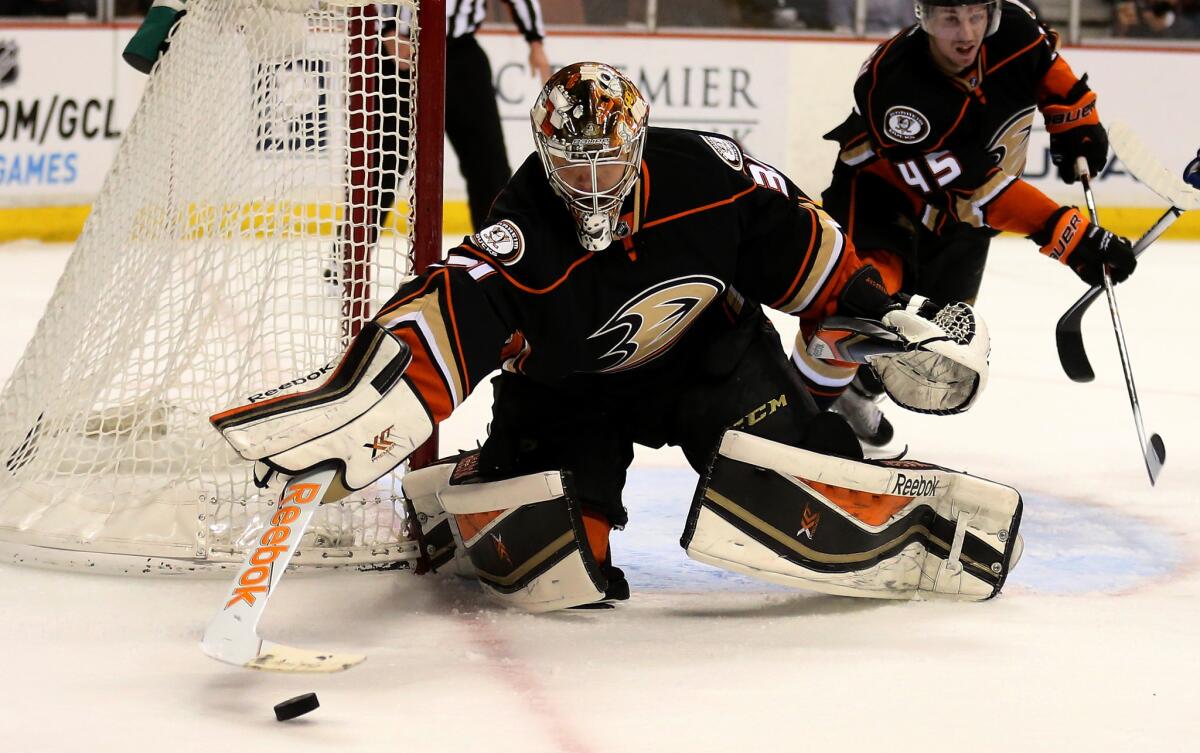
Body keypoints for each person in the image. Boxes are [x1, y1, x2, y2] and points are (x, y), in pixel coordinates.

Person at [212, 64, 1018, 612]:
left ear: (636, 145)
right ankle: (475, 478)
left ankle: (886, 491)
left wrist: (879, 314)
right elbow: (450, 307)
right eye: (573, 164)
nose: (591, 183)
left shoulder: (707, 175)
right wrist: (366, 397)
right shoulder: (520, 227)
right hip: (573, 392)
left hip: (708, 359)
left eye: (608, 162)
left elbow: (802, 248)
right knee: (562, 554)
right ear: (546, 154)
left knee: (785, 477)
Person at [810, 0, 1138, 449]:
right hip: (882, 198)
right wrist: (1071, 236)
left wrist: (1075, 122)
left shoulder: (1016, 29)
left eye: (975, 16)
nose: (965, 32)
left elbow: (1049, 71)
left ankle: (857, 394)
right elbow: (975, 189)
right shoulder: (898, 85)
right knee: (866, 302)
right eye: (950, 18)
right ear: (923, 17)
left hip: (962, 219)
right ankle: (802, 408)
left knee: (936, 337)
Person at [375, 0, 551, 234]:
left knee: (488, 164)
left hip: (459, 55)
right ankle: (349, 257)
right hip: (400, 57)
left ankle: (497, 254)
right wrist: (390, 29)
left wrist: (535, 41)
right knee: (383, 161)